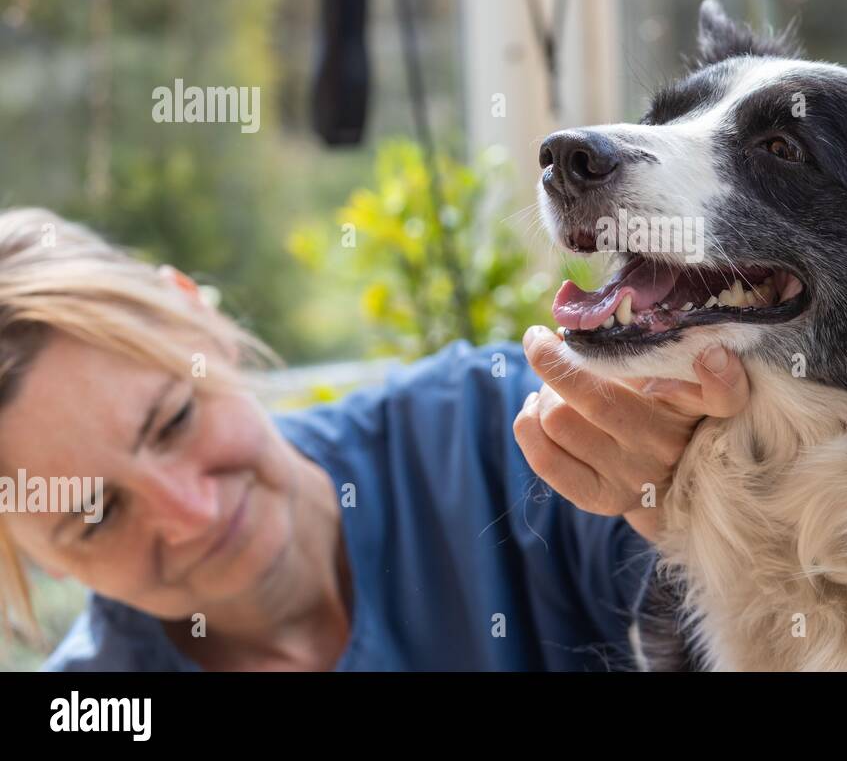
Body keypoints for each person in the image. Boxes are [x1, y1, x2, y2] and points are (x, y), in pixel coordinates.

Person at [0, 208, 748, 670]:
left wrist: (684, 510)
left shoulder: (498, 439)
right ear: (30, 553)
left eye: (173, 421)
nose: (190, 515)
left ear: (197, 317)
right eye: (96, 517)